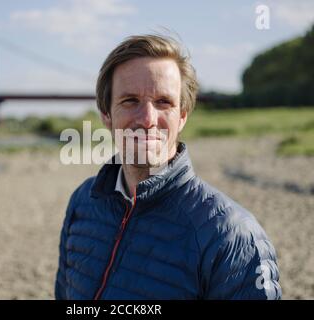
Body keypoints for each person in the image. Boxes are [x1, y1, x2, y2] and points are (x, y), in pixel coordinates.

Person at [55, 34, 281, 300]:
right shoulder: (83, 203)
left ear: (182, 116)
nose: (148, 119)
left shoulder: (233, 235)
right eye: (130, 100)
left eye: (164, 102)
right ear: (106, 113)